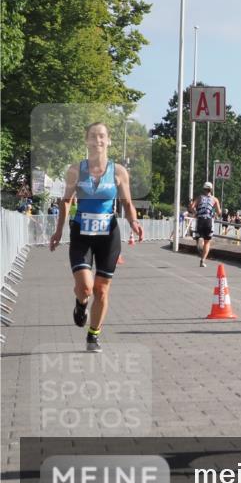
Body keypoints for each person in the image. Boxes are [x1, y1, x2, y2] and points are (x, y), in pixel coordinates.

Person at [48, 121, 144, 352]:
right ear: (87, 140)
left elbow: (127, 202)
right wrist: (59, 230)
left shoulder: (119, 171)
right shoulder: (75, 170)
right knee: (86, 288)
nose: (98, 140)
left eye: (102, 136)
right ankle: (81, 304)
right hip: (81, 233)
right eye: (93, 136)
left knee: (102, 289)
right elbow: (66, 201)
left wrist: (134, 222)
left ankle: (93, 335)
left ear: (108, 141)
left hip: (108, 235)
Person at [189, 182, 222, 267]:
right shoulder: (215, 199)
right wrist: (215, 214)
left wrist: (196, 213)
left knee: (199, 237)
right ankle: (203, 260)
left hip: (200, 220)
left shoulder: (199, 197)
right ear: (211, 189)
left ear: (204, 189)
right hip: (208, 221)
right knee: (207, 242)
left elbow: (192, 207)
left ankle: (199, 242)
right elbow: (219, 212)